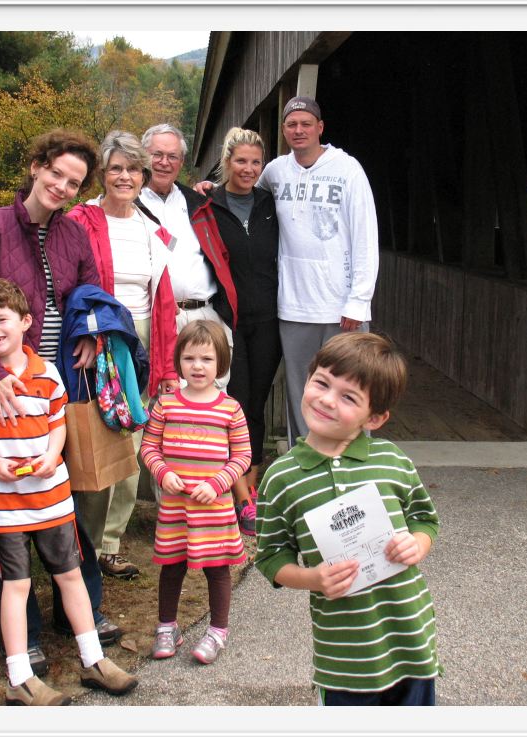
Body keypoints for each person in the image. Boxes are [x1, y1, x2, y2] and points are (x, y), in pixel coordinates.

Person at [0, 127, 123, 679]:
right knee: (11, 515)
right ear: (36, 165)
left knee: (60, 503)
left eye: (73, 182)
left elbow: (91, 294)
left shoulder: (73, 235)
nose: (62, 187)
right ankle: (30, 640)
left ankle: (83, 614)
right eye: (56, 174)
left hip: (54, 388)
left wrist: (92, 336)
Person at [0, 279, 137, 705]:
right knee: (15, 585)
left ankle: (93, 659)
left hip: (52, 496)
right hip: (5, 505)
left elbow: (57, 423)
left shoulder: (48, 373)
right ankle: (20, 678)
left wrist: (54, 456)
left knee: (70, 575)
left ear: (26, 322)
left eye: (2, 319)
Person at [253, 332, 440, 706]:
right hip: (344, 658)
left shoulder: (393, 462)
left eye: (348, 397)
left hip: (413, 643)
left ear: (376, 417)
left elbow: (424, 518)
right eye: (321, 382)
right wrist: (312, 578)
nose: (326, 399)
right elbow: (270, 557)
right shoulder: (281, 478)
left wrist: (416, 544)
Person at [196, 97, 379, 447]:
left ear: (320, 127)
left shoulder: (348, 169)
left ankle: (354, 468)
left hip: (342, 309)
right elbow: (243, 192)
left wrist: (359, 301)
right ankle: (304, 470)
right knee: (304, 396)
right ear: (284, 131)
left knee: (352, 390)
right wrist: (208, 190)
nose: (298, 130)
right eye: (291, 124)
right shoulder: (275, 171)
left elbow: (366, 237)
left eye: (305, 123)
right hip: (293, 308)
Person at [66, 130, 179, 580]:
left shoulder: (152, 229)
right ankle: (85, 545)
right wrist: (90, 334)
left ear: (143, 175)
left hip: (142, 342)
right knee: (99, 440)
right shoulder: (81, 220)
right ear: (103, 174)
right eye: (116, 168)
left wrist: (167, 367)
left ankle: (111, 543)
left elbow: (164, 302)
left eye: (133, 169)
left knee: (134, 443)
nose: (125, 176)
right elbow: (74, 288)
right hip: (100, 340)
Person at [140, 320, 251, 665]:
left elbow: (243, 455)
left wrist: (218, 484)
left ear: (221, 363)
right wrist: (163, 472)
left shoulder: (229, 408)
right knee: (171, 567)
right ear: (179, 362)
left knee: (217, 569)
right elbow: (149, 448)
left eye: (206, 359)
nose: (198, 367)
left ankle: (218, 631)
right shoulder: (166, 405)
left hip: (214, 508)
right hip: (175, 507)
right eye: (189, 359)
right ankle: (167, 627)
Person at [207, 127, 281, 536]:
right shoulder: (208, 204)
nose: (249, 169)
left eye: (255, 162)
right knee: (234, 402)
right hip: (229, 320)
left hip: (269, 319)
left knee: (257, 402)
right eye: (241, 161)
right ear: (226, 162)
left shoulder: (271, 203)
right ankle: (238, 497)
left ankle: (249, 492)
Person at [138, 123, 239, 389]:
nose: (164, 162)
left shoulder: (198, 201)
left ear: (182, 162)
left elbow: (241, 191)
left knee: (213, 401)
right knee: (163, 401)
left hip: (205, 314)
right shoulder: (128, 203)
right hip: (158, 320)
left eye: (172, 156)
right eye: (157, 154)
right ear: (142, 155)